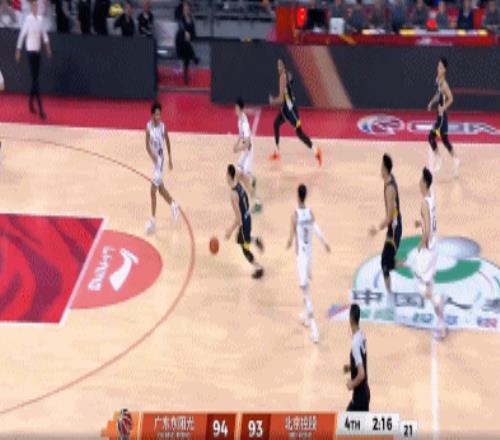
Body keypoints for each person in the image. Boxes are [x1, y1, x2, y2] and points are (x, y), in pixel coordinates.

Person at [286, 184, 330, 344]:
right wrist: (325, 243)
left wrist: (287, 243)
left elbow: (291, 238)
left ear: (298, 196)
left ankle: (314, 329)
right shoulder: (310, 213)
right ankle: (306, 315)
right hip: (310, 256)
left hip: (302, 257)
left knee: (305, 290)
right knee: (305, 287)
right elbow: (316, 229)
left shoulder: (294, 215)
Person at [268, 58, 322, 166]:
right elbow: (291, 80)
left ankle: (316, 151)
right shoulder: (287, 74)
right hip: (286, 108)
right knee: (276, 124)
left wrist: (272, 101)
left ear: (284, 66)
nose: (278, 67)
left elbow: (281, 99)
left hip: (290, 111)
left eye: (280, 65)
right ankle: (277, 152)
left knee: (300, 134)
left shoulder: (282, 78)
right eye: (277, 65)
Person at [413, 168, 446, 340]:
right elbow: (430, 222)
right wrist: (420, 223)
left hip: (428, 250)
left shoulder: (424, 204)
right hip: (435, 247)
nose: (419, 183)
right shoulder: (431, 198)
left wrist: (421, 244)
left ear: (425, 183)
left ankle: (439, 301)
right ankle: (440, 322)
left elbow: (427, 231)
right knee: (428, 283)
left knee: (420, 285)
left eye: (421, 180)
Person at [369, 154, 403, 310]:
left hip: (394, 229)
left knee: (384, 264)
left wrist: (377, 229)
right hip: (394, 227)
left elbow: (389, 217)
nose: (380, 168)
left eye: (381, 166)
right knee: (387, 262)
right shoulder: (390, 180)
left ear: (385, 168)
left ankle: (390, 296)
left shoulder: (389, 188)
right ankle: (411, 263)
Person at [145, 102, 179, 235]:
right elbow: (147, 145)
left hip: (160, 161)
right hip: (155, 161)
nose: (158, 117)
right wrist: (151, 155)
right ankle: (174, 205)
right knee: (160, 189)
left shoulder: (163, 127)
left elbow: (168, 141)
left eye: (160, 114)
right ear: (152, 115)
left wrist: (170, 158)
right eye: (156, 115)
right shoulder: (148, 127)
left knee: (152, 191)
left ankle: (153, 222)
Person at [225, 164, 264, 279]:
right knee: (240, 239)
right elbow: (242, 175)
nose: (225, 177)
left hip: (244, 224)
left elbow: (238, 219)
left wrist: (229, 231)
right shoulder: (238, 182)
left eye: (226, 174)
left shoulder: (233, 195)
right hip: (248, 217)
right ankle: (255, 240)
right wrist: (252, 192)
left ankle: (258, 268)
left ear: (229, 176)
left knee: (245, 250)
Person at [15, 0, 51, 120]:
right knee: (36, 80)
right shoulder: (28, 20)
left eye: (37, 6)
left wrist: (47, 47)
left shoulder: (40, 20)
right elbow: (22, 35)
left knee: (35, 79)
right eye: (34, 6)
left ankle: (30, 102)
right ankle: (41, 109)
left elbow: (44, 34)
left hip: (37, 52)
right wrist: (18, 50)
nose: (36, 8)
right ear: (31, 8)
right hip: (30, 52)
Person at [426, 57, 460, 177]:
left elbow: (451, 98)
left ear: (444, 70)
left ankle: (439, 159)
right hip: (440, 118)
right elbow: (438, 94)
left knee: (431, 137)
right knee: (445, 141)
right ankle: (456, 159)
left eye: (440, 67)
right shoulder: (438, 80)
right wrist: (432, 102)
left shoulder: (444, 84)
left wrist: (443, 107)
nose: (438, 68)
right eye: (438, 66)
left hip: (441, 120)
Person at [233, 98, 262, 213]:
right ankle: (252, 179)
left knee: (244, 179)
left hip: (248, 152)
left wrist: (238, 149)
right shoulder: (240, 119)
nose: (234, 110)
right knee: (238, 175)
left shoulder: (245, 124)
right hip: (244, 151)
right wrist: (236, 144)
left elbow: (247, 144)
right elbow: (241, 136)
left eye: (236, 108)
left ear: (240, 109)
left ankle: (258, 203)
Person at [344, 304, 370, 411]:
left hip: (359, 398)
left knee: (345, 420)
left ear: (350, 318)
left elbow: (361, 374)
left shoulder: (355, 343)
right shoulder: (362, 335)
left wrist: (352, 384)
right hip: (364, 393)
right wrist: (347, 369)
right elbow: (360, 361)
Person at [175, 1, 199, 85]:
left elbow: (194, 34)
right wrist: (186, 33)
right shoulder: (181, 20)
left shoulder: (191, 20)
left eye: (187, 9)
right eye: (184, 9)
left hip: (187, 46)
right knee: (184, 41)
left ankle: (185, 75)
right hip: (180, 44)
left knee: (187, 53)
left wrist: (190, 37)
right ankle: (194, 57)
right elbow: (181, 31)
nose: (186, 10)